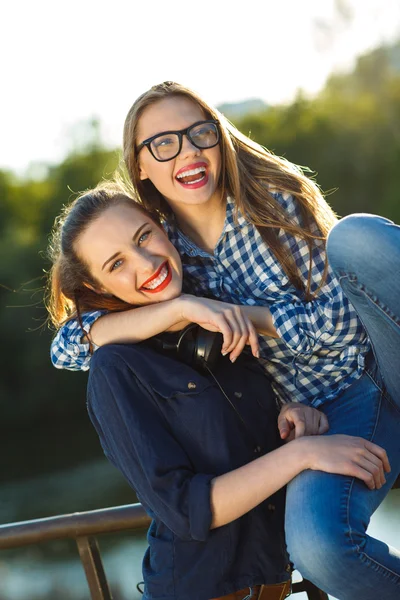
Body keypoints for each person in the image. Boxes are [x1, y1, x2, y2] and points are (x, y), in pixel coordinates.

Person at [50, 82, 400, 599]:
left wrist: (241, 316)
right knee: (319, 547)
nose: (187, 150)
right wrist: (184, 307)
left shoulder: (273, 202)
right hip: (307, 421)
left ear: (220, 138)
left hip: (363, 377)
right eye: (163, 143)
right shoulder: (165, 259)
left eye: (199, 134)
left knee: (357, 236)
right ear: (140, 166)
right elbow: (68, 347)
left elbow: (344, 324)